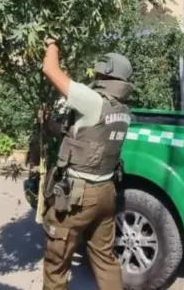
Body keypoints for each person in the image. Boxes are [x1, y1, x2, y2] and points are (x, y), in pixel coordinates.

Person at [40, 36, 133, 290]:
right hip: (106, 193)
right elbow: (87, 138)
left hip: (79, 196)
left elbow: (50, 69)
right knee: (105, 260)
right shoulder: (123, 112)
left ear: (103, 72)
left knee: (56, 263)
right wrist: (53, 127)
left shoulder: (93, 100)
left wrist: (53, 43)